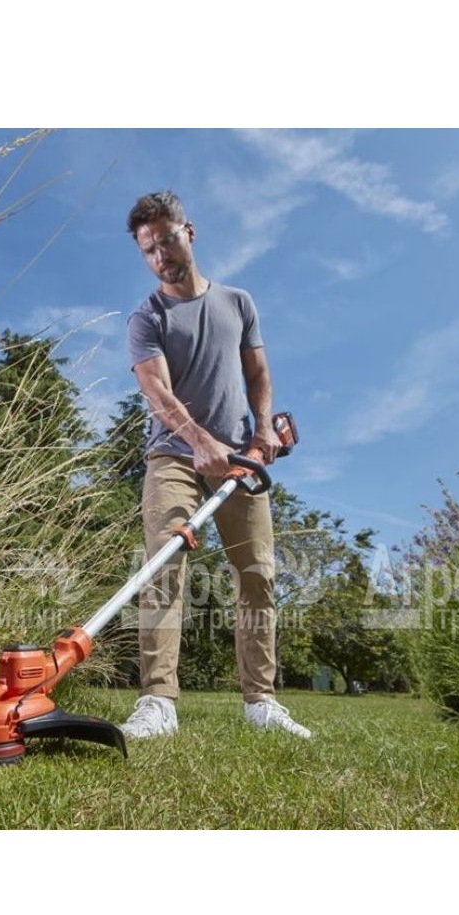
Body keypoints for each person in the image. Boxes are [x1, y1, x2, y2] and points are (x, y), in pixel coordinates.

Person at [119, 190, 312, 741]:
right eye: (149, 249)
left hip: (240, 461)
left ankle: (262, 703)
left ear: (190, 232)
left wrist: (263, 427)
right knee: (163, 563)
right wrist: (198, 439)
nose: (161, 255)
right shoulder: (146, 318)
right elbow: (157, 392)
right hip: (174, 456)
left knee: (258, 574)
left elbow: (258, 374)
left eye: (168, 240)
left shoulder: (237, 302)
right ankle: (158, 701)